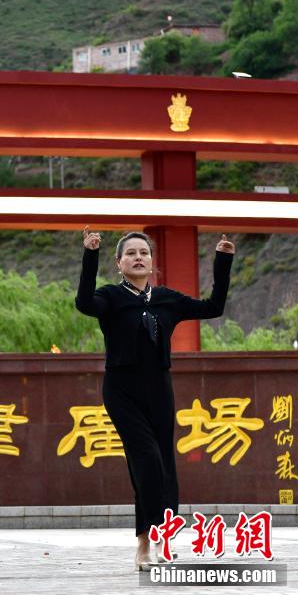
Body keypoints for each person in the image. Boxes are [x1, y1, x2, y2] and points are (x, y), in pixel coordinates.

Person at [75, 227, 234, 571]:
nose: (138, 258)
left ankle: (159, 539)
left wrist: (223, 261)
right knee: (147, 460)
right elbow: (84, 303)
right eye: (131, 253)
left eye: (143, 252)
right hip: (122, 391)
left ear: (151, 261)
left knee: (163, 466)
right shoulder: (110, 297)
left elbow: (213, 307)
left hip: (159, 390)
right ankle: (145, 542)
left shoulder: (166, 299)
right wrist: (90, 255)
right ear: (119, 262)